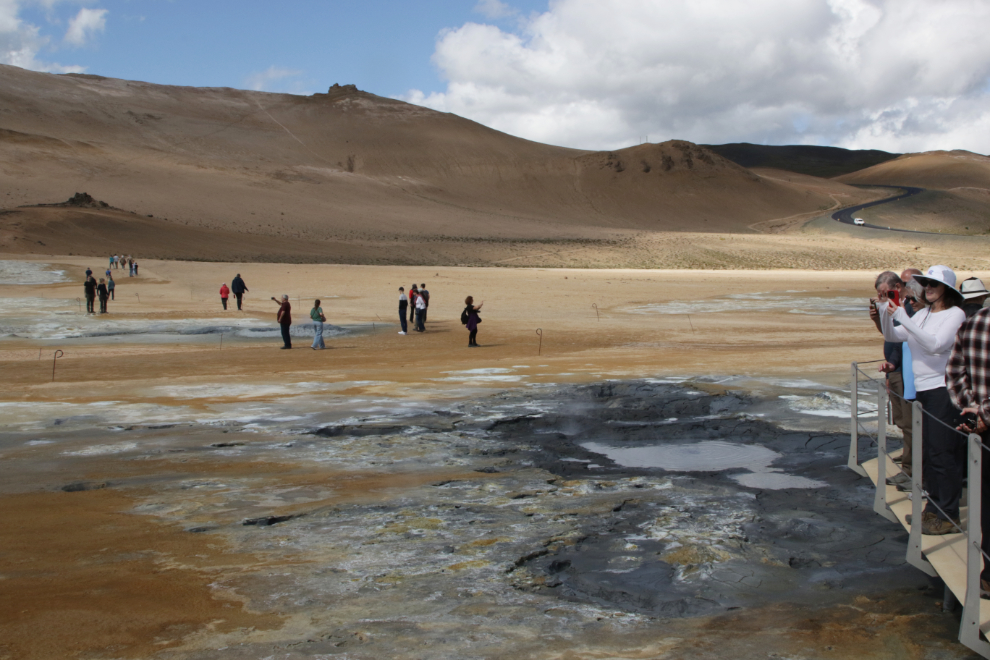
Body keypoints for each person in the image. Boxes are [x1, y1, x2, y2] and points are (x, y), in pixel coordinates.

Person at [879, 265, 967, 535]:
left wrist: (902, 317)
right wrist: (885, 313)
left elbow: (935, 345)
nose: (927, 288)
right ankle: (933, 511)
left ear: (947, 290)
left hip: (943, 389)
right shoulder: (924, 314)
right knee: (930, 453)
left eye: (933, 285)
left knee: (943, 454)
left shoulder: (955, 314)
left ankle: (947, 515)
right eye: (925, 284)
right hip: (924, 390)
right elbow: (894, 335)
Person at [946, 304, 990, 596]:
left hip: (983, 428)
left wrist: (973, 412)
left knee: (987, 499)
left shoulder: (974, 321)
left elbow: (953, 371)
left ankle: (987, 573)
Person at [869, 271, 915, 476]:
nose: (882, 298)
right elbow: (891, 336)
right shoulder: (897, 307)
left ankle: (911, 469)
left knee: (910, 422)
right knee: (903, 421)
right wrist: (879, 320)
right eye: (879, 295)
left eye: (884, 293)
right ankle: (908, 459)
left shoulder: (909, 308)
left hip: (907, 373)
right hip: (896, 369)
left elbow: (903, 338)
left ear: (896, 287)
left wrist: (894, 365)